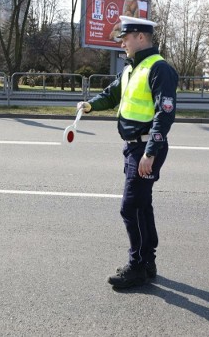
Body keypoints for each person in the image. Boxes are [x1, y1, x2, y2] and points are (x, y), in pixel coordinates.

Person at [77, 15, 179, 289]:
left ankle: (136, 265)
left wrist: (151, 152)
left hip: (146, 148)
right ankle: (147, 263)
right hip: (133, 147)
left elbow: (164, 114)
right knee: (141, 206)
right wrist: (90, 105)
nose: (122, 42)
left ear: (141, 37)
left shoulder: (159, 69)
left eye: (126, 37)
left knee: (130, 207)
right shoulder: (132, 68)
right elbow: (111, 95)